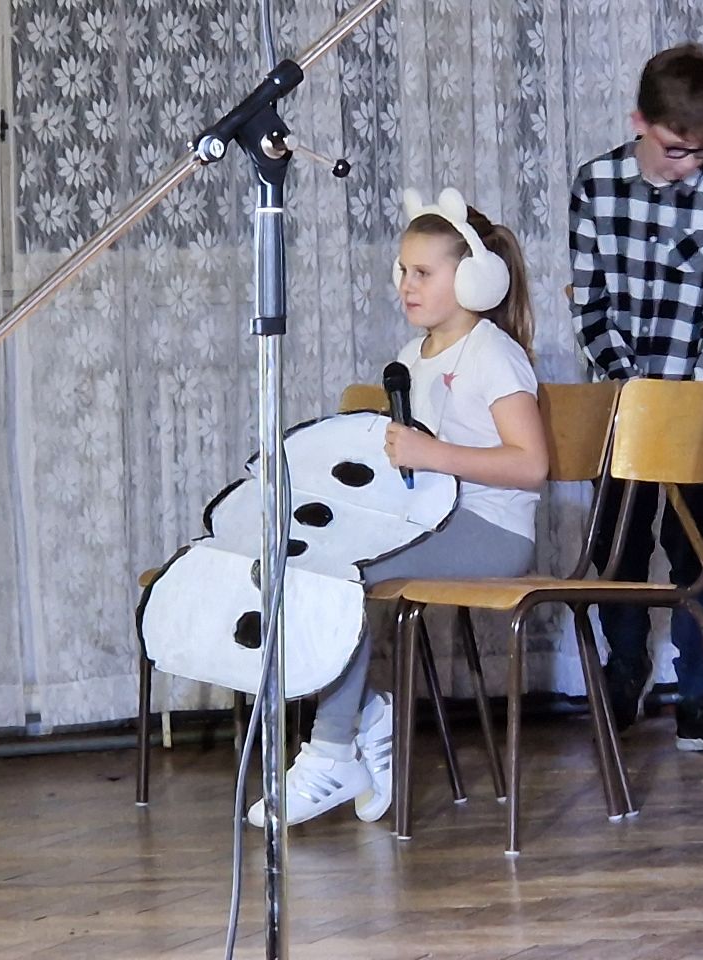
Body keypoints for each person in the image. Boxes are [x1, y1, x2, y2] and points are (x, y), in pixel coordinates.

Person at [249, 187, 547, 827]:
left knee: (346, 572)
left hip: (492, 531)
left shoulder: (494, 353)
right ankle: (365, 715)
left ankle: (333, 751)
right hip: (435, 523)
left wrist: (432, 454)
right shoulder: (412, 359)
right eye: (403, 271)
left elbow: (531, 465)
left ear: (471, 279)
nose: (407, 285)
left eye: (423, 273)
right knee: (309, 561)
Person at [568, 44, 703, 753]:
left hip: (698, 411)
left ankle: (698, 698)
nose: (690, 166)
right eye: (678, 150)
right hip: (620, 408)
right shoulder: (594, 186)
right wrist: (634, 392)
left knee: (694, 556)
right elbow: (590, 305)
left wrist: (685, 415)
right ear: (640, 122)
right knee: (619, 552)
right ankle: (625, 675)